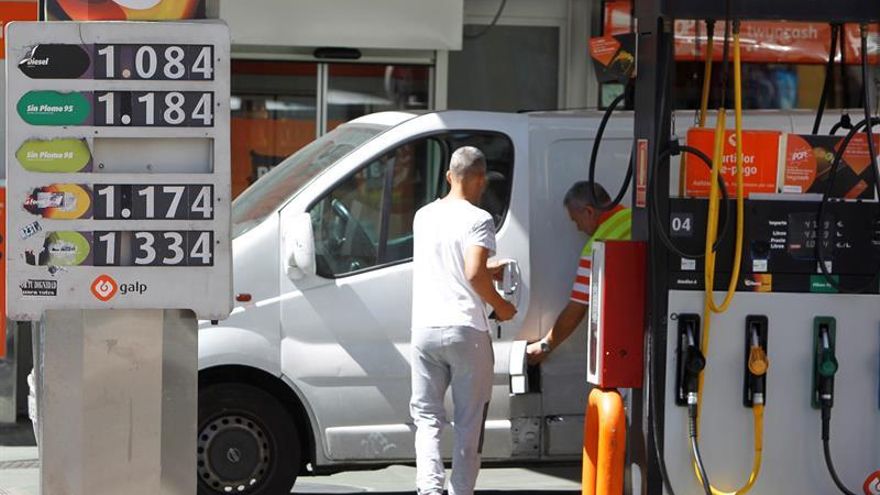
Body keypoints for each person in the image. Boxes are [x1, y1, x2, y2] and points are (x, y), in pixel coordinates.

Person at [410, 146, 517, 495]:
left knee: (427, 418)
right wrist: (501, 306)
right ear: (481, 179)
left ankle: (429, 490)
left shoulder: (423, 216)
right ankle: (461, 491)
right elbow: (471, 273)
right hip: (466, 328)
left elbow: (449, 264)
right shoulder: (479, 219)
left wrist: (489, 269)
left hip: (425, 327)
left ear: (448, 176)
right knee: (469, 422)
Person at [526, 181, 631, 364]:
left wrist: (545, 346)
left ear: (589, 212)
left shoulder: (596, 247)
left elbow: (576, 309)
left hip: (623, 343)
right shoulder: (635, 218)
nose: (578, 228)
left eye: (576, 220)